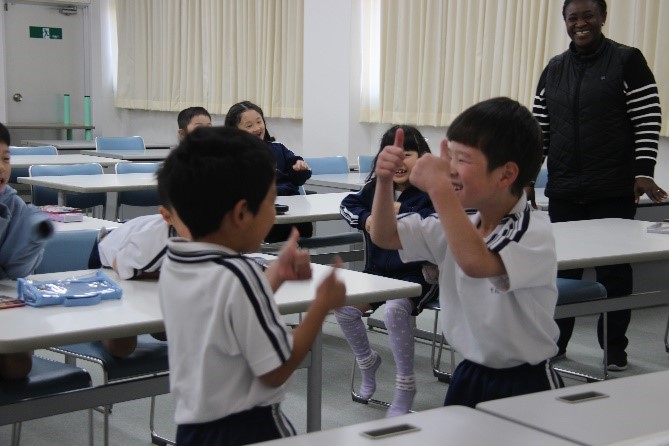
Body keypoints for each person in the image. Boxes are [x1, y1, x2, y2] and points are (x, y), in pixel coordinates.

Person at [157, 126, 346, 446]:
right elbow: (276, 369)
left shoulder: (175, 262)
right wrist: (321, 306)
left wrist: (275, 275)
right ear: (242, 213)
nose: (275, 213)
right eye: (272, 202)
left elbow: (226, 311)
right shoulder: (241, 274)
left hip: (192, 428)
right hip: (248, 427)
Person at [369, 97, 563, 408]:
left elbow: (476, 262)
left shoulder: (532, 230)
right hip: (469, 373)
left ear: (505, 175)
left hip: (525, 381)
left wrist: (439, 189)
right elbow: (384, 235)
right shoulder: (460, 223)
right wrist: (383, 181)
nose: (450, 169)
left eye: (462, 159)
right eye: (449, 156)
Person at [532, 0, 664, 371]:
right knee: (562, 270)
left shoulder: (627, 60)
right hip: (564, 189)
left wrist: (643, 170)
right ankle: (556, 343)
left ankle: (614, 348)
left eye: (588, 15)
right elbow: (539, 128)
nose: (581, 23)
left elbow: (648, 118)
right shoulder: (554, 69)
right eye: (573, 17)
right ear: (565, 22)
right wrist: (527, 175)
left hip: (612, 187)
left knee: (614, 271)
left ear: (603, 18)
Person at [336, 125, 435, 417]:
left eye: (408, 154)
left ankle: (405, 385)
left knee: (393, 312)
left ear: (422, 157)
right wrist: (367, 218)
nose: (400, 162)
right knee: (344, 308)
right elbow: (347, 205)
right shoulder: (376, 189)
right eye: (392, 155)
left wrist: (400, 214)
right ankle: (368, 362)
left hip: (418, 276)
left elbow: (436, 223)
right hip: (377, 273)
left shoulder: (431, 191)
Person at [0, 122, 54, 380]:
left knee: (18, 364)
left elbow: (16, 271)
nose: (1, 168)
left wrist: (33, 239)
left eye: (5, 159)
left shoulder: (11, 203)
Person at [224, 101, 313, 242]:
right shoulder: (232, 157)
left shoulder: (278, 148)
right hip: (262, 213)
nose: (257, 128)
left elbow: (297, 179)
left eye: (259, 122)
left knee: (304, 229)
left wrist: (300, 168)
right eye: (249, 125)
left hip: (291, 208)